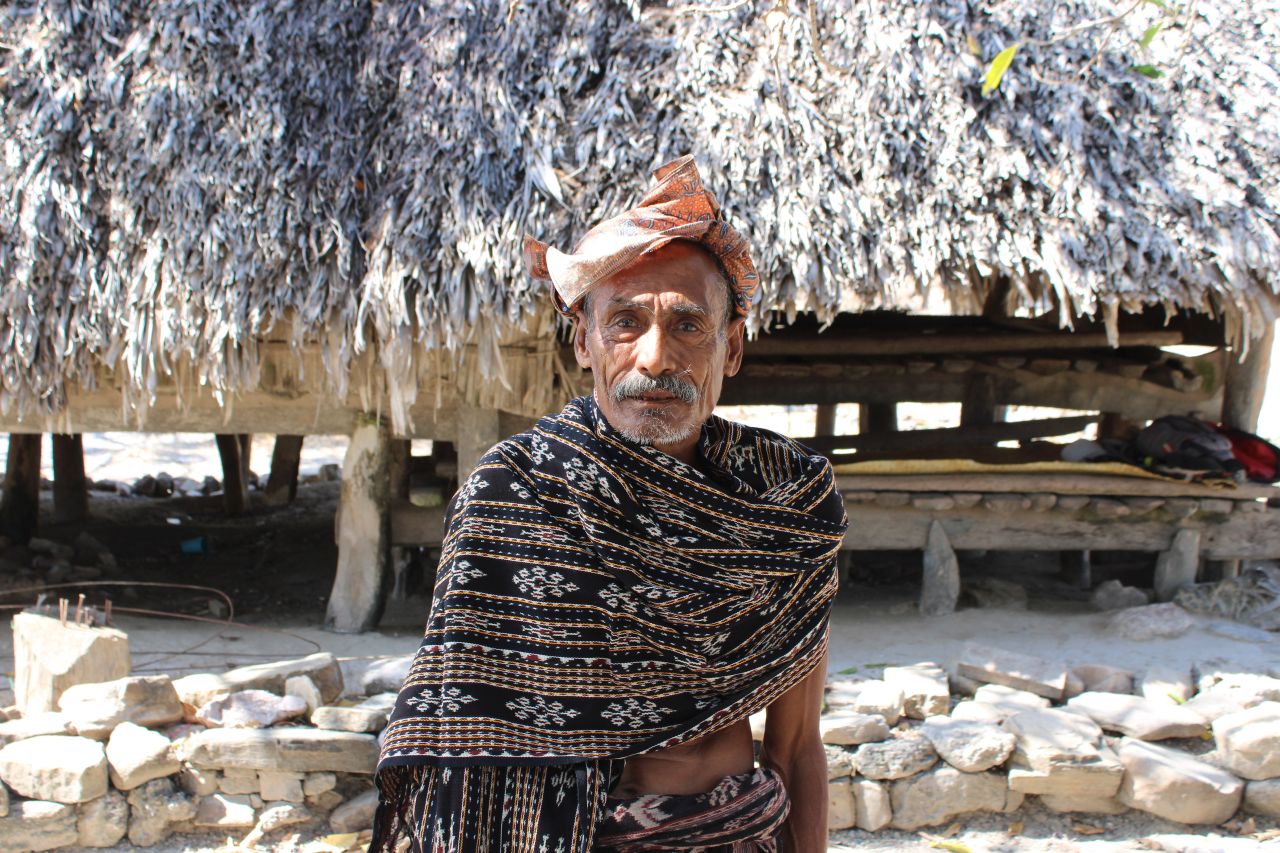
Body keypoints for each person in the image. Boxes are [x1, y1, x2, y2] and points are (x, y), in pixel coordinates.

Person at [373, 156, 848, 853]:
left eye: (688, 326)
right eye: (625, 322)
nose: (655, 357)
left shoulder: (785, 509)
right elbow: (463, 743)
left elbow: (799, 746)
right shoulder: (514, 495)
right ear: (585, 343)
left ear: (732, 346)